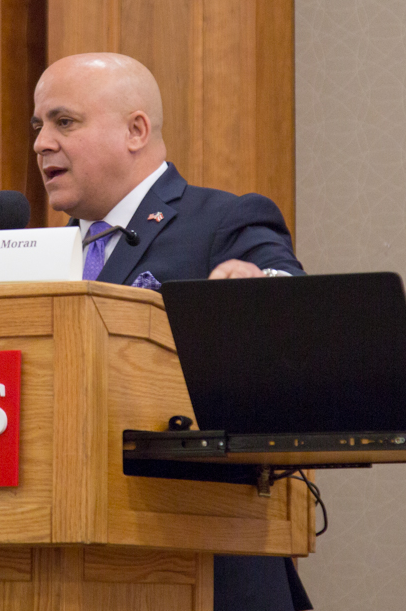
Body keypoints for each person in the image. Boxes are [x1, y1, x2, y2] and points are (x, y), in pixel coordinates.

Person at [33, 52, 310, 611]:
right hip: (68, 558)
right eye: (37, 127)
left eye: (64, 122)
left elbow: (289, 300)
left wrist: (256, 287)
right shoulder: (38, 256)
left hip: (208, 562)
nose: (41, 143)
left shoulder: (220, 220)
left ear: (136, 130)